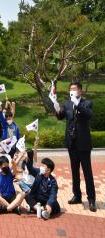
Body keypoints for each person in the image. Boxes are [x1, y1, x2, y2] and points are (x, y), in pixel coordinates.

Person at [53, 81, 96, 212]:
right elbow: (61, 117)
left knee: (87, 172)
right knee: (74, 171)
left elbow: (88, 115)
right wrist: (56, 106)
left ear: (80, 91)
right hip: (71, 143)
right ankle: (77, 195)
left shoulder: (86, 103)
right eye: (70, 89)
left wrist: (77, 104)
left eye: (74, 89)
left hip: (84, 144)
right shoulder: (67, 104)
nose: (72, 91)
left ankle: (92, 200)